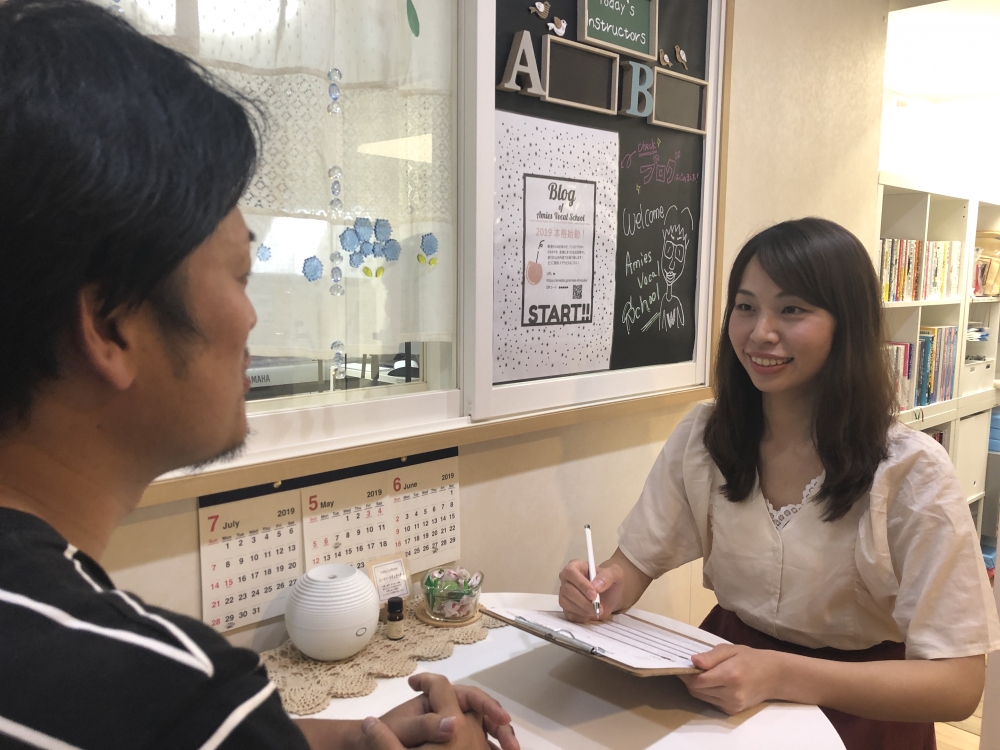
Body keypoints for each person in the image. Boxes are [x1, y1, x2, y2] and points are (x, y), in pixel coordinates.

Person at [0, 2, 518, 749]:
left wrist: (337, 736)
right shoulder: (163, 694)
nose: (252, 319)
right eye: (240, 275)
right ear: (111, 324)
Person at [559, 217, 1000, 749]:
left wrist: (781, 674)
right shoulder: (707, 435)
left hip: (861, 712)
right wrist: (601, 589)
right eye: (745, 307)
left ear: (847, 325)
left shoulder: (911, 471)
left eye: (792, 310)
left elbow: (958, 684)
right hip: (726, 692)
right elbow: (633, 565)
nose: (760, 332)